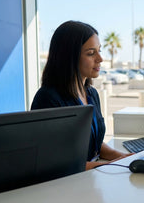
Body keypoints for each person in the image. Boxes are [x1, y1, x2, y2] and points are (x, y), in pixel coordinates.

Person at [31, 20, 133, 170]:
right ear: (69, 57)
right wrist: (110, 165)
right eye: (91, 53)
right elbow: (54, 162)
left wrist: (119, 156)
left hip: (92, 176)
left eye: (99, 50)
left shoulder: (91, 93)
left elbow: (93, 144)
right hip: (67, 184)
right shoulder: (48, 99)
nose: (100, 58)